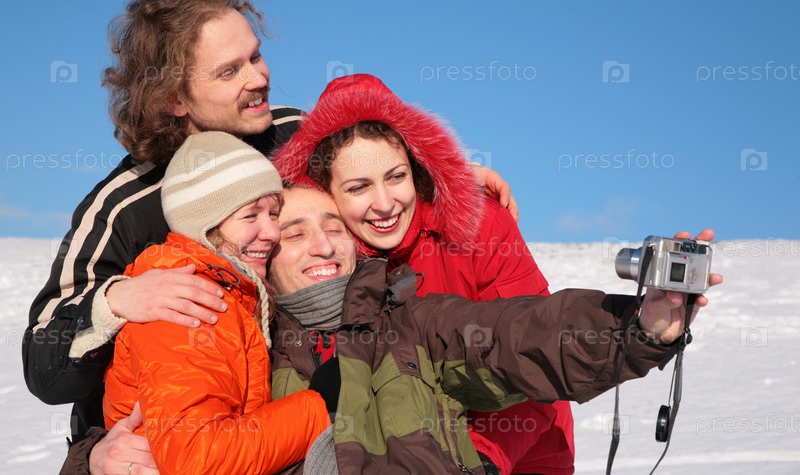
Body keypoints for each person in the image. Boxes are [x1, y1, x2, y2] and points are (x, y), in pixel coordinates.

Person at [22, 0, 513, 459]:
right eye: (229, 71)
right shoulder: (123, 207)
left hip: (290, 419)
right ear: (175, 99)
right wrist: (115, 302)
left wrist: (441, 175)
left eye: (255, 57)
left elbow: (371, 171)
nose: (257, 78)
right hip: (167, 448)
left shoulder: (294, 135)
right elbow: (42, 364)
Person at [264, 186, 720, 474]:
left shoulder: (410, 324)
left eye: (333, 228)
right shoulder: (253, 349)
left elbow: (519, 336)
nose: (323, 245)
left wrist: (636, 327)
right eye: (295, 234)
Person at [272, 74, 573, 473]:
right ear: (326, 192)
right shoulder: (333, 257)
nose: (385, 204)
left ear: (415, 167)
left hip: (519, 448)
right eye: (359, 188)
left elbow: (538, 352)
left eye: (395, 177)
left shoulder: (480, 226)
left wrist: (481, 459)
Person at [88, 132, 330, 474]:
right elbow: (199, 459)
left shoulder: (229, 295)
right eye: (251, 216)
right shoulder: (184, 303)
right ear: (205, 225)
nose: (272, 232)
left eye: (273, 213)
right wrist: (318, 410)